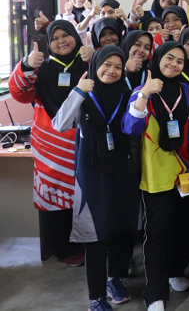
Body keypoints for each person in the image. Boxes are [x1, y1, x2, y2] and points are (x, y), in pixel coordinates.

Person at [51, 46, 139, 310]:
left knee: (123, 229)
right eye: (106, 65)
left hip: (123, 171)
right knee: (97, 235)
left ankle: (116, 278)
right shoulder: (83, 95)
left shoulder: (126, 94)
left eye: (118, 67)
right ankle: (97, 296)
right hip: (92, 174)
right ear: (96, 65)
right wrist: (78, 91)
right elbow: (60, 124)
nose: (112, 71)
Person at [121, 42, 189, 310]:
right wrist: (144, 93)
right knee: (157, 234)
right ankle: (154, 293)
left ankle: (175, 272)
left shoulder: (186, 91)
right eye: (169, 58)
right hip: (155, 177)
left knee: (182, 229)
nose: (174, 64)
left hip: (183, 174)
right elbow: (130, 128)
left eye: (180, 61)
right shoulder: (141, 91)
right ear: (158, 59)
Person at [8, 20, 91, 264]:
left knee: (86, 195)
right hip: (52, 148)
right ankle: (64, 249)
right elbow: (19, 94)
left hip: (85, 142)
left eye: (67, 35)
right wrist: (25, 65)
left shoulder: (87, 63)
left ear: (76, 36)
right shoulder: (40, 67)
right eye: (55, 38)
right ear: (48, 42)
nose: (61, 41)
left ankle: (90, 244)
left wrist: (95, 55)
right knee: (57, 200)